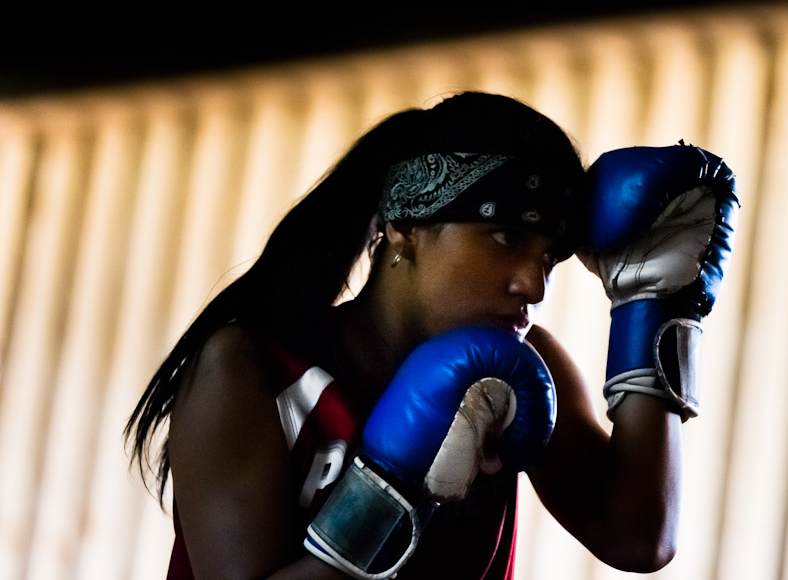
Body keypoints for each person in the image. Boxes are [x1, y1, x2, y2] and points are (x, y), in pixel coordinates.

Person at [125, 91, 738, 579]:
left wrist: (655, 307)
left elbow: (639, 537)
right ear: (403, 228)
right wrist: (395, 487)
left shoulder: (523, 367)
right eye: (506, 237)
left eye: (550, 257)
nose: (534, 284)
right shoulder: (252, 368)